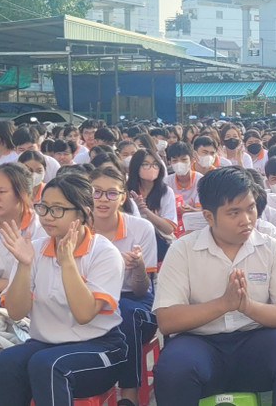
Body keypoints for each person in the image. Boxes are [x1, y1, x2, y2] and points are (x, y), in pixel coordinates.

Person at [151, 166, 276, 405]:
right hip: (200, 343)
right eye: (234, 213)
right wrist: (223, 304)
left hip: (257, 341)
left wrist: (247, 307)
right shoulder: (183, 250)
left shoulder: (270, 247)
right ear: (209, 217)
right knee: (172, 369)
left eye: (251, 208)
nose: (247, 220)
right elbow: (167, 320)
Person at [0, 174, 128, 405]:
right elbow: (16, 313)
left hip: (99, 346)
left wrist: (67, 263)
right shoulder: (35, 249)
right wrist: (24, 264)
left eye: (58, 210)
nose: (48, 217)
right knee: (5, 362)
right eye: (44, 208)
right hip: (44, 344)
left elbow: (84, 314)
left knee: (48, 365)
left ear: (82, 213)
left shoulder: (103, 253)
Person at [89, 167, 157, 406]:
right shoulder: (80, 227)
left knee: (125, 314)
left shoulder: (140, 228)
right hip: (91, 297)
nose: (103, 199)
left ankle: (129, 393)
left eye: (111, 193)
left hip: (133, 299)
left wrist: (138, 267)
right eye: (96, 192)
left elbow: (141, 289)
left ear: (122, 197)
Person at [0, 163, 46, 304]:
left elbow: (40, 281)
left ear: (23, 193)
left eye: (2, 192)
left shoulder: (39, 228)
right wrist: (13, 283)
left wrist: (2, 283)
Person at [127, 148, 178, 258]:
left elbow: (169, 229)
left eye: (155, 164)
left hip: (160, 243)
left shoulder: (166, 192)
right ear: (136, 167)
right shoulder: (127, 190)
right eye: (146, 164)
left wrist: (145, 211)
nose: (151, 168)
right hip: (132, 243)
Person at [164, 141, 203, 211]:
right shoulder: (166, 182)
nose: (179, 164)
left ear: (192, 160)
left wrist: (192, 210)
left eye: (184, 160)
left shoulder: (200, 180)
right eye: (175, 161)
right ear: (170, 163)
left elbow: (201, 209)